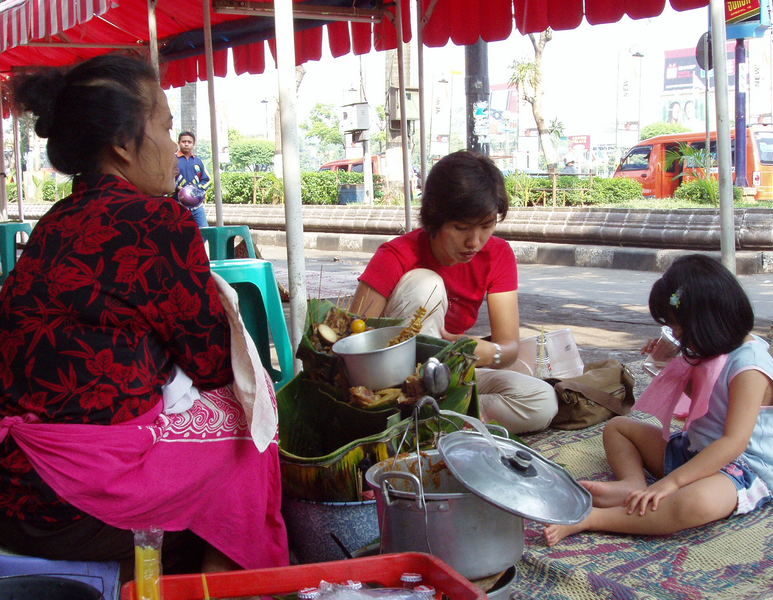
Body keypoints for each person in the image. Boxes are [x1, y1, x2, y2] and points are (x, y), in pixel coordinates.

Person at [0, 55, 287, 577]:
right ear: (123, 144)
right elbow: (214, 365)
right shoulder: (159, 221)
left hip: (12, 482)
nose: (172, 144)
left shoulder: (53, 222)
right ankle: (229, 585)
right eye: (164, 124)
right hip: (73, 502)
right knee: (253, 422)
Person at [544, 254, 773, 546]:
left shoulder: (750, 367)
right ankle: (632, 485)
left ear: (708, 322)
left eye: (679, 329)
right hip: (694, 451)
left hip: (738, 468)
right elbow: (703, 399)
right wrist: (666, 362)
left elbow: (733, 443)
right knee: (619, 427)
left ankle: (596, 518)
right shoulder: (716, 351)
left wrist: (670, 483)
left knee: (695, 503)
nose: (677, 336)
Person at [350, 150, 558, 434]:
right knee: (426, 283)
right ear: (436, 219)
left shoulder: (498, 254)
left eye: (486, 226)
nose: (474, 241)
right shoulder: (396, 255)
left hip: (451, 372)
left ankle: (442, 417)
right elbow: (351, 341)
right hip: (392, 380)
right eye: (461, 228)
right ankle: (428, 413)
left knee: (542, 401)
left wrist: (483, 352)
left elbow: (508, 348)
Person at [175, 130, 210, 227]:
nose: (186, 144)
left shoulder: (198, 161)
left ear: (193, 144)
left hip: (197, 206)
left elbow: (207, 180)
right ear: (179, 143)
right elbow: (164, 179)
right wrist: (176, 187)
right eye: (184, 141)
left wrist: (196, 189)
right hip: (177, 204)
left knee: (204, 230)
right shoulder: (172, 160)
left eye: (189, 142)